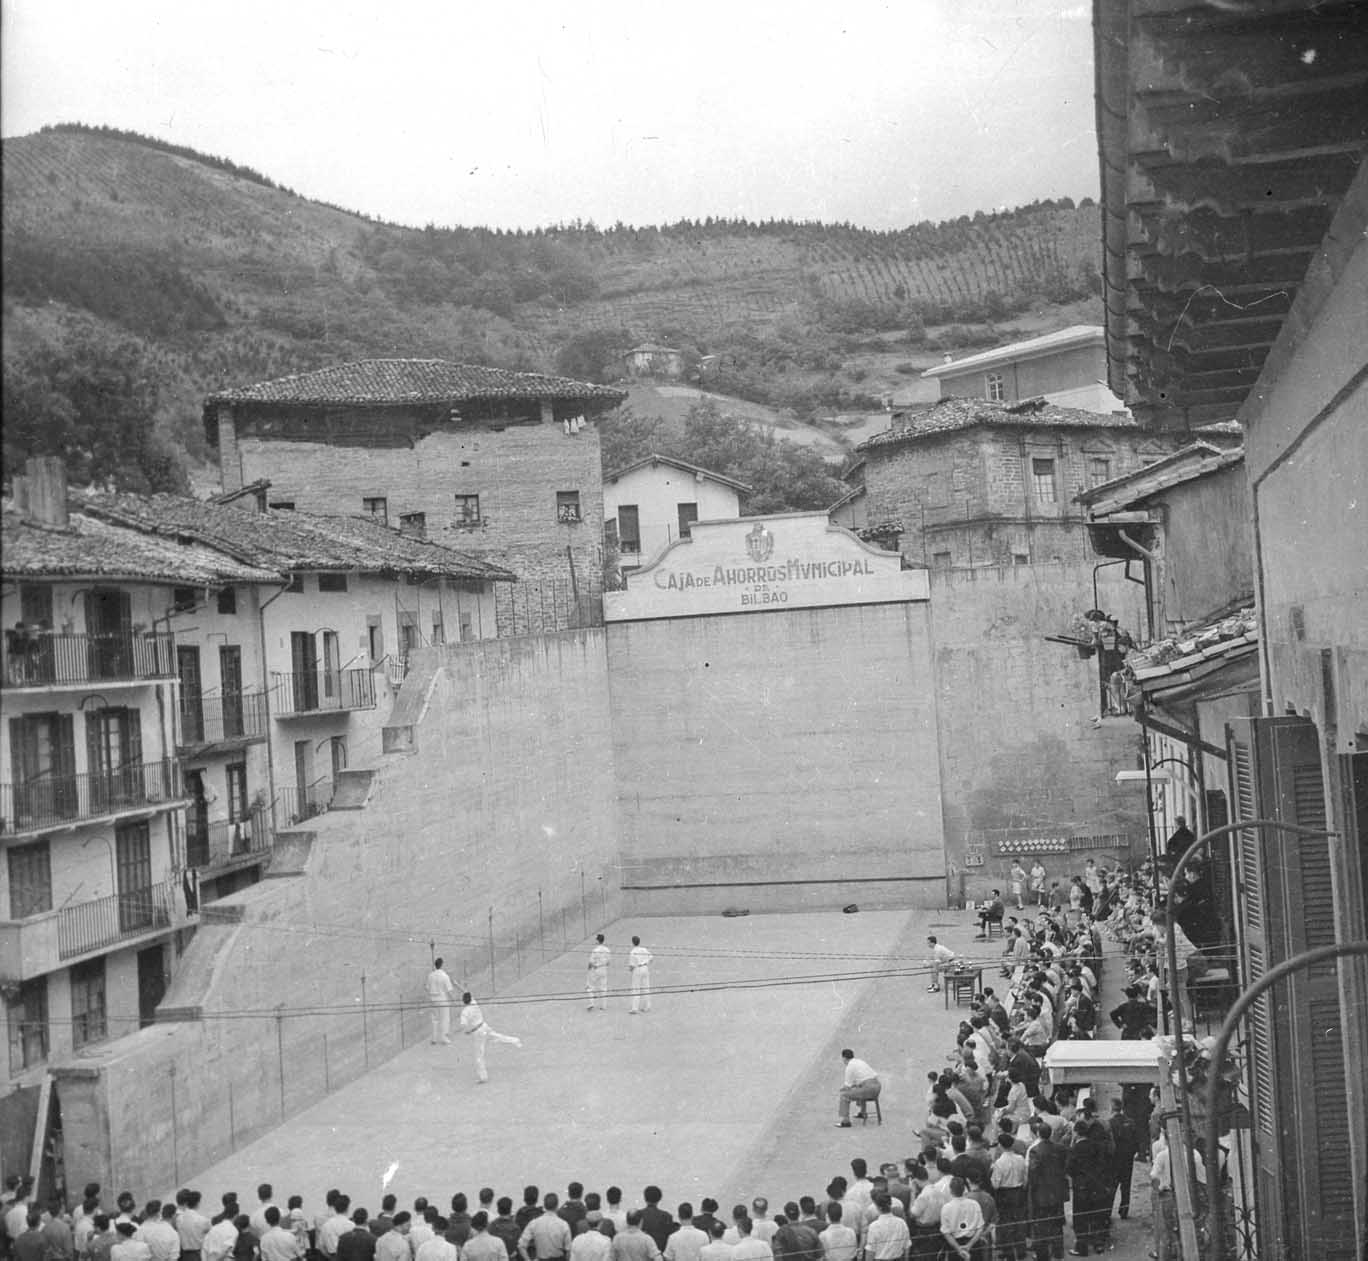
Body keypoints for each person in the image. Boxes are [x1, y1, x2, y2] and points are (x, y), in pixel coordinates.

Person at [1025, 1120, 1068, 1261]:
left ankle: (1042, 1255)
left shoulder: (1035, 1151)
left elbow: (1033, 1173)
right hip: (1057, 1192)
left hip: (1041, 1195)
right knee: (1057, 1225)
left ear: (1038, 1134)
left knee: (1041, 1228)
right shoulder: (1060, 1148)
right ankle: (1058, 1253)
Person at [459, 991, 522, 1082]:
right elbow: (466, 991)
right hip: (484, 1026)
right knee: (498, 1036)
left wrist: (467, 1031)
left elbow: (463, 1025)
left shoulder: (465, 1012)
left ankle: (483, 1077)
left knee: (479, 1055)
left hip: (478, 1033)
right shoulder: (474, 1002)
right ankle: (515, 1040)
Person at [835, 1049, 881, 1127]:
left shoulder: (849, 1067)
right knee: (859, 1088)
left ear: (844, 1058)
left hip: (868, 1089)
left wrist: (841, 1090)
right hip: (877, 1087)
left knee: (844, 1095)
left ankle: (845, 1121)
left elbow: (847, 1087)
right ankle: (862, 1112)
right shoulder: (860, 1061)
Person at [427, 958, 456, 1044]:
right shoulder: (444, 976)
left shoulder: (430, 975)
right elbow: (449, 990)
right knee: (445, 1019)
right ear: (442, 965)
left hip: (433, 1000)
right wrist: (453, 1000)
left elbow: (427, 988)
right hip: (442, 1000)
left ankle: (434, 1039)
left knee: (434, 1019)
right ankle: (444, 1038)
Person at [587, 935, 611, 1011]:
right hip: (604, 970)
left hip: (596, 969)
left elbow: (591, 962)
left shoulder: (595, 950)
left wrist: (589, 969)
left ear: (598, 941)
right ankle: (603, 1006)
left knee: (590, 987)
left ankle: (591, 1003)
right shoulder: (607, 950)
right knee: (603, 988)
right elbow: (608, 962)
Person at [628, 937, 652, 1013]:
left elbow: (631, 965)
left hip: (637, 969)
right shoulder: (644, 949)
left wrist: (630, 971)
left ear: (632, 942)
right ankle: (647, 1006)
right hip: (645, 968)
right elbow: (651, 957)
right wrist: (646, 962)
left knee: (636, 989)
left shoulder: (632, 952)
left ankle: (635, 1008)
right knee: (646, 988)